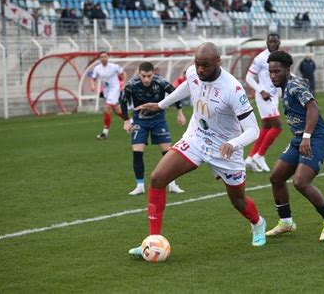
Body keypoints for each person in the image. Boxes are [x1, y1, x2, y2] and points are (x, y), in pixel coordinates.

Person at [128, 43, 267, 258]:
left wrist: (234, 144)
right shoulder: (194, 72)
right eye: (197, 64)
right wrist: (161, 104)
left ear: (218, 63)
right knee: (157, 178)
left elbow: (253, 130)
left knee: (238, 202)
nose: (200, 69)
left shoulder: (233, 89)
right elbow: (188, 85)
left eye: (206, 65)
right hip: (197, 139)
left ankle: (258, 223)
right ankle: (153, 241)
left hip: (226, 149)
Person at [265, 50, 324, 240]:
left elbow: (313, 107)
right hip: (300, 138)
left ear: (287, 69)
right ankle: (286, 222)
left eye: (277, 71)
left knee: (300, 182)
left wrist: (307, 136)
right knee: (276, 177)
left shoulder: (293, 86)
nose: (273, 75)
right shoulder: (289, 84)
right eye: (271, 72)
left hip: (317, 138)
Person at [120, 62, 186, 196]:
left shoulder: (161, 82)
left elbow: (174, 94)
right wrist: (126, 120)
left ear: (153, 73)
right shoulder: (131, 85)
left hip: (158, 120)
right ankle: (139, 185)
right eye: (143, 76)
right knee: (137, 151)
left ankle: (172, 184)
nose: (146, 79)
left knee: (168, 153)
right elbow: (123, 101)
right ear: (139, 74)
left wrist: (180, 112)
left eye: (149, 76)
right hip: (140, 121)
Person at [244, 34, 283, 172]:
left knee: (266, 128)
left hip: (274, 96)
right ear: (266, 42)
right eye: (270, 41)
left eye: (275, 41)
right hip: (264, 97)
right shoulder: (261, 58)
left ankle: (250, 158)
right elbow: (248, 77)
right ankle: (260, 155)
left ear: (279, 42)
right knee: (277, 126)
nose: (272, 43)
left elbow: (285, 74)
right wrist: (261, 91)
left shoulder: (281, 56)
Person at [90, 51, 127, 140]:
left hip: (115, 89)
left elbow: (123, 73)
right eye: (101, 57)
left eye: (105, 56)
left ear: (108, 57)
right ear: (99, 59)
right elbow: (93, 78)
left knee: (107, 108)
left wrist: (124, 84)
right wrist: (92, 85)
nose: (103, 58)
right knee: (117, 110)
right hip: (107, 91)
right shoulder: (97, 68)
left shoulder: (114, 66)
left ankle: (105, 133)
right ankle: (131, 121)